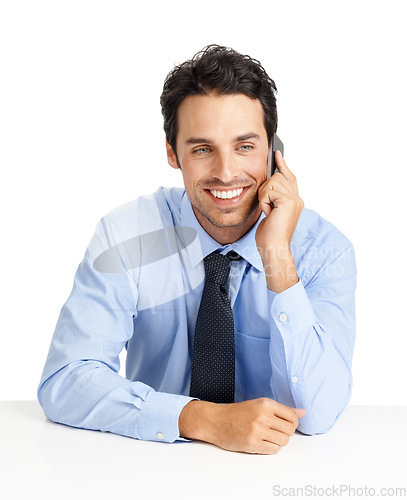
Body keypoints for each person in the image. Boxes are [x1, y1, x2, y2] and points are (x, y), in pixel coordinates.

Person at [38, 44, 357, 455]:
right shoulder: (128, 236)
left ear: (274, 155)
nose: (226, 172)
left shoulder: (325, 251)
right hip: (147, 467)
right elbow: (64, 380)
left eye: (245, 147)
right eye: (202, 149)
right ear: (173, 153)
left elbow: (319, 412)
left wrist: (278, 254)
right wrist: (202, 419)